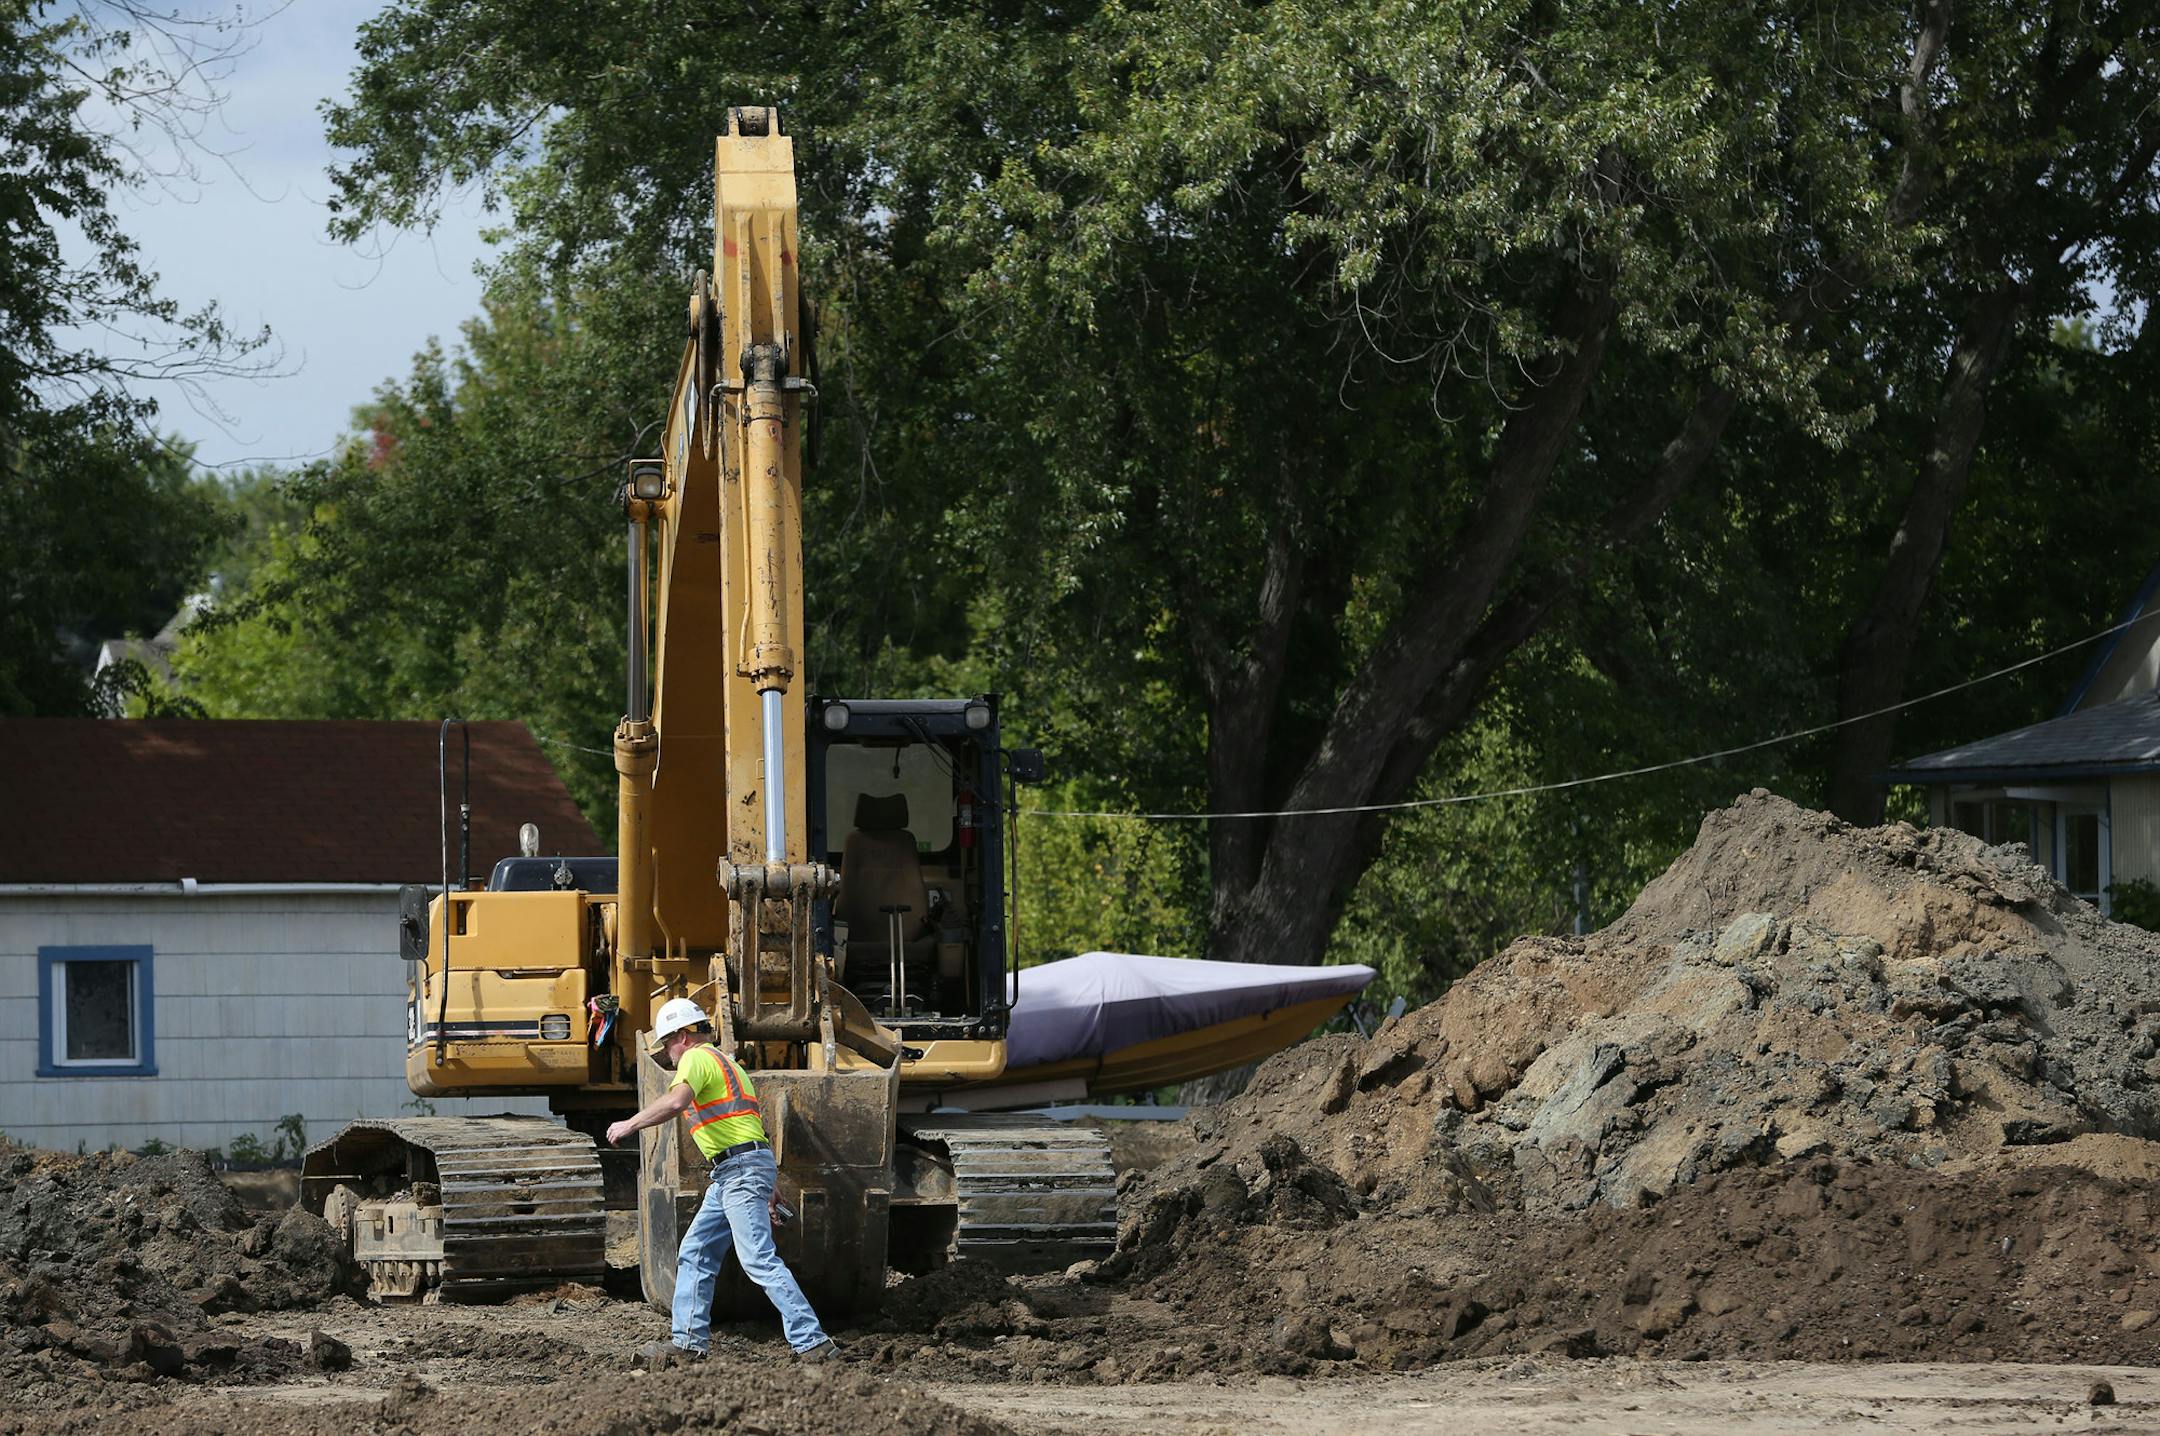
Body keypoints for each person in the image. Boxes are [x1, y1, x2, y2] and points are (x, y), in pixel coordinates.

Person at [606, 996, 838, 1362]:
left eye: (667, 1042)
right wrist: (769, 1184)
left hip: (740, 1172)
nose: (667, 1053)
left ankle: (813, 1342)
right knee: (695, 1253)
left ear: (683, 1035)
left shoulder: (696, 1058)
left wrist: (630, 1123)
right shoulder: (727, 1064)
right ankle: (688, 1345)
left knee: (758, 1259)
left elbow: (676, 1102)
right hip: (737, 1171)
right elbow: (747, 1128)